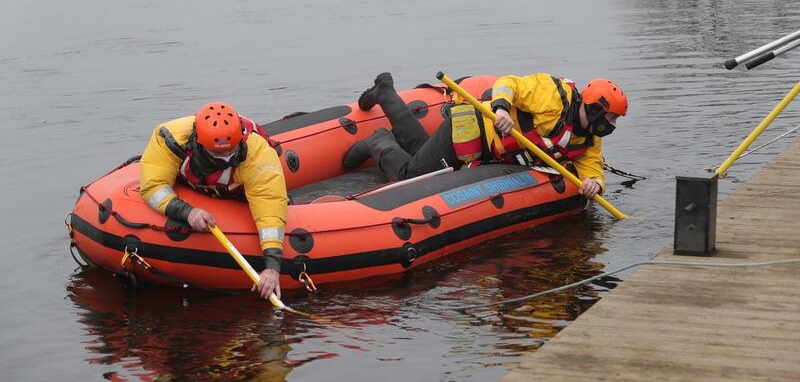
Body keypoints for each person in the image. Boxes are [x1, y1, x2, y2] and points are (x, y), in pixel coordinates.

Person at [343, 72, 628, 199]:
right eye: (611, 117)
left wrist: (595, 185)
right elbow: (509, 84)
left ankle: (385, 92)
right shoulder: (552, 95)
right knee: (410, 174)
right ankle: (378, 139)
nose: (612, 124)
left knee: (420, 150)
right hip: (472, 130)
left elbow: (592, 170)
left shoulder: (589, 139)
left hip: (490, 150)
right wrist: (502, 110)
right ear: (595, 108)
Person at [139, 102, 287, 299]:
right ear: (199, 142)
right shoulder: (171, 139)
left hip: (237, 193)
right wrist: (187, 212)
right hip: (192, 187)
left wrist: (272, 268)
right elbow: (153, 186)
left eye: (231, 150)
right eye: (218, 153)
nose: (226, 156)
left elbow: (270, 207)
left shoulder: (257, 154)